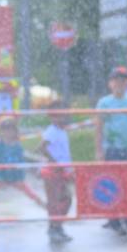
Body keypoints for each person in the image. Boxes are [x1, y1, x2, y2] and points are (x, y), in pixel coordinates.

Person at [96, 66, 127, 236]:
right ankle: (114, 218)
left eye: (124, 80)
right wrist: (99, 150)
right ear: (110, 83)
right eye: (116, 80)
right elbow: (99, 127)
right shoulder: (104, 103)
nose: (120, 83)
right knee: (112, 183)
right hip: (112, 148)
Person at [39, 102, 74, 244]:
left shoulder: (62, 131)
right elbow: (41, 148)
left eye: (63, 114)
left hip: (62, 171)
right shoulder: (52, 131)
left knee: (66, 199)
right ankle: (54, 228)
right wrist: (54, 162)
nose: (61, 118)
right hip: (52, 172)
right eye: (57, 115)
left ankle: (57, 226)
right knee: (55, 201)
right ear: (51, 117)